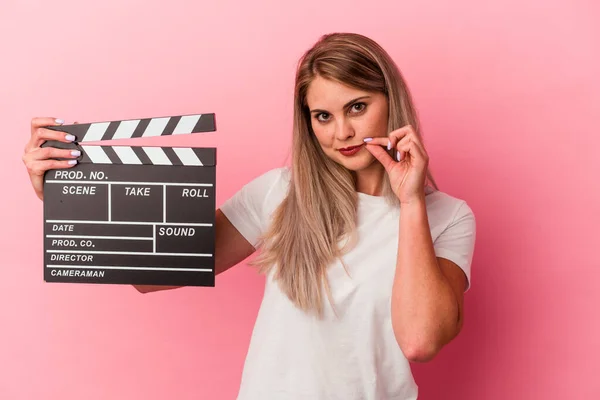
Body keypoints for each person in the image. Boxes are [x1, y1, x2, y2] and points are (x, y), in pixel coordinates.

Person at [23, 32, 476, 400]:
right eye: (323, 115)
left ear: (390, 101)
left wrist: (412, 201)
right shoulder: (281, 193)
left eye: (357, 107)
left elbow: (420, 341)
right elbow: (151, 275)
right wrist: (65, 197)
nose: (343, 132)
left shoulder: (448, 217)